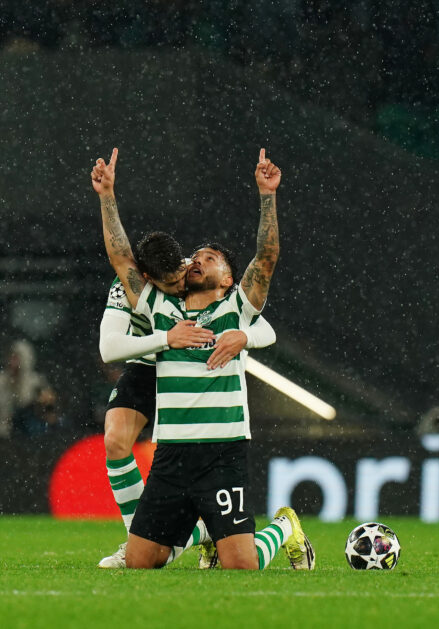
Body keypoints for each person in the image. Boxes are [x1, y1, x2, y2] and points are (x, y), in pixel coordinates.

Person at [91, 147, 313, 571]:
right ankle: (198, 534)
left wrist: (267, 195)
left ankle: (283, 526)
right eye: (195, 257)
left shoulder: (237, 308)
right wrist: (107, 196)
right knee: (140, 563)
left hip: (222, 453)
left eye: (210, 258)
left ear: (228, 278)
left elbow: (266, 258)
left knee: (241, 567)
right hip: (171, 454)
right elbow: (121, 257)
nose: (197, 261)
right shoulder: (158, 305)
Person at [96, 232, 279, 569]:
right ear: (150, 279)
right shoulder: (135, 290)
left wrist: (245, 337)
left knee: (240, 563)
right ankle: (140, 537)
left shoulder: (201, 280)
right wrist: (166, 338)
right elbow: (109, 348)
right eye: (170, 283)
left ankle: (268, 529)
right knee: (114, 441)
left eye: (182, 275)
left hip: (213, 430)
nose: (179, 282)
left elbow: (266, 328)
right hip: (150, 357)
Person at [0, 339, 56, 438]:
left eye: (17, 357)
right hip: (2, 434)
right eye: (11, 356)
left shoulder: (36, 382)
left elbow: (47, 409)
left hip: (31, 436)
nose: (12, 362)